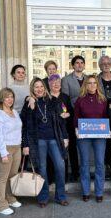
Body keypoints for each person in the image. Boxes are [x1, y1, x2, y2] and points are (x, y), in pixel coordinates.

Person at [21, 77, 69, 207]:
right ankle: (43, 197)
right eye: (36, 87)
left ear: (45, 88)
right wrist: (25, 144)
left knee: (60, 166)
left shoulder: (52, 101)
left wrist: (65, 137)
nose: (39, 89)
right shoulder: (29, 104)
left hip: (54, 139)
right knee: (42, 169)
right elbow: (24, 125)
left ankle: (61, 196)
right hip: (38, 141)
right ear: (32, 89)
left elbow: (61, 121)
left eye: (41, 86)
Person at [74, 75, 108, 203]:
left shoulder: (103, 99)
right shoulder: (80, 100)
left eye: (94, 83)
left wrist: (107, 129)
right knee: (84, 163)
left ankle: (99, 192)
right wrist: (76, 130)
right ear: (85, 85)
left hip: (99, 135)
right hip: (84, 136)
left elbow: (106, 117)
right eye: (89, 83)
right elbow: (76, 118)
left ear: (97, 85)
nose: (92, 85)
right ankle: (86, 191)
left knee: (99, 163)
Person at [0, 88, 23, 215]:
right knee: (2, 178)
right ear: (1, 99)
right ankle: (1, 205)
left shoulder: (14, 112)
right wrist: (3, 153)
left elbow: (18, 129)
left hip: (17, 147)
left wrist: (20, 145)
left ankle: (10, 198)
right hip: (4, 148)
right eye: (7, 97)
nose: (10, 99)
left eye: (11, 96)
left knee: (12, 176)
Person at [48, 74, 79, 181]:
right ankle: (52, 177)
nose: (56, 84)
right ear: (49, 84)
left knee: (67, 153)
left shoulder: (65, 96)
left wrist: (69, 114)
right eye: (53, 82)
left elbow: (71, 110)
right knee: (52, 154)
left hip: (66, 129)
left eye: (58, 82)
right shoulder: (46, 97)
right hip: (52, 130)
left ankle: (66, 177)